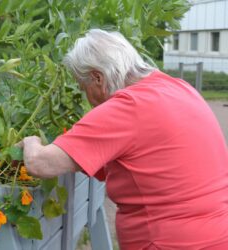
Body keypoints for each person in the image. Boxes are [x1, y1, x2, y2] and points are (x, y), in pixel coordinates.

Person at [19, 29, 228, 249]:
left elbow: (40, 163)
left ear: (97, 78)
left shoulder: (127, 107)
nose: (88, 99)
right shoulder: (179, 88)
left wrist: (31, 142)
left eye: (84, 89)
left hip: (171, 242)